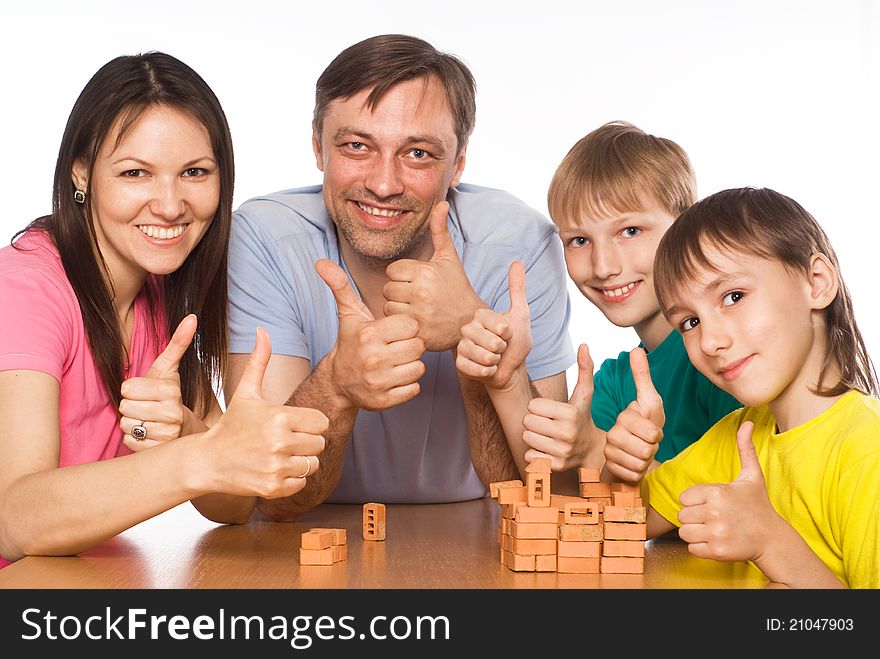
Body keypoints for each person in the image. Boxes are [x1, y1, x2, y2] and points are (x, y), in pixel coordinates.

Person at [225, 34, 574, 519]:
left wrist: (476, 338)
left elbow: (542, 496)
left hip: (476, 541)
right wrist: (336, 384)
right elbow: (276, 499)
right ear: (317, 147)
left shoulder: (522, 243)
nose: (383, 184)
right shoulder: (264, 236)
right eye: (356, 146)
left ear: (459, 163)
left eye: (418, 154)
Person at [0, 52, 327, 568]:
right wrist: (201, 456)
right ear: (81, 174)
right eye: (136, 173)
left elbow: (233, 504)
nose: (171, 205)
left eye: (195, 172)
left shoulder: (161, 292)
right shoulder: (25, 289)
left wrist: (192, 432)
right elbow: (15, 521)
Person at [456, 121, 740, 481]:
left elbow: (744, 498)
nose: (603, 267)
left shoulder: (725, 352)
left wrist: (592, 451)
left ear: (686, 225)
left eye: (630, 231)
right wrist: (508, 381)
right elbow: (561, 495)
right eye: (578, 240)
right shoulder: (614, 384)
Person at [638, 187, 880, 588]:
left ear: (816, 282)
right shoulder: (740, 434)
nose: (711, 341)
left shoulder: (867, 452)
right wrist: (621, 460)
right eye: (689, 322)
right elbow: (635, 518)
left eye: (733, 296)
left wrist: (771, 543)